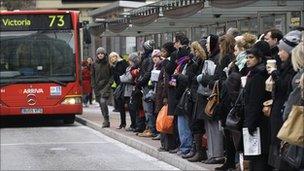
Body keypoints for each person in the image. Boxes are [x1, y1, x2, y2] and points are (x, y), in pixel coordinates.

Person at [267, 30, 301, 170]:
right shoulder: (284, 66)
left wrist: (274, 74)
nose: (279, 54)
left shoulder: (294, 70)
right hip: (279, 110)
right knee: (277, 144)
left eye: (282, 51)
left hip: (287, 113)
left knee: (285, 147)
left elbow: (285, 88)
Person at [243, 41, 272, 171]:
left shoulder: (258, 75)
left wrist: (250, 123)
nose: (248, 60)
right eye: (247, 57)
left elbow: (255, 101)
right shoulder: (255, 72)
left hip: (258, 121)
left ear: (259, 58)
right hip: (258, 120)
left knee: (258, 157)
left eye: (251, 57)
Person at [187, 41, 208, 162]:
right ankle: (196, 149)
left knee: (197, 124)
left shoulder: (203, 61)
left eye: (195, 50)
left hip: (199, 95)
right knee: (193, 124)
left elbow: (195, 77)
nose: (193, 53)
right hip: (194, 94)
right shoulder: (194, 61)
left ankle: (200, 152)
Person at [155, 42, 178, 151]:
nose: (162, 54)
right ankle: (164, 144)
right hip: (162, 95)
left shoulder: (169, 63)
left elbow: (168, 81)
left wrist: (165, 96)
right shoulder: (165, 63)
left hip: (167, 95)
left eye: (164, 51)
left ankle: (168, 145)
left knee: (167, 121)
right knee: (163, 120)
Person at [91, 47, 113, 128]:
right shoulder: (94, 64)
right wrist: (93, 86)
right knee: (101, 104)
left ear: (105, 54)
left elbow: (112, 76)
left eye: (102, 53)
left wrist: (109, 84)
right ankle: (105, 119)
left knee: (103, 102)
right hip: (97, 87)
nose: (100, 55)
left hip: (106, 86)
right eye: (99, 54)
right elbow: (92, 76)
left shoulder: (108, 63)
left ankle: (106, 120)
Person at [121, 53, 141, 132]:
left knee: (133, 109)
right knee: (130, 108)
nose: (129, 62)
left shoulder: (135, 68)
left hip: (133, 90)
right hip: (127, 90)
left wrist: (122, 78)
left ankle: (135, 125)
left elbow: (128, 78)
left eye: (130, 60)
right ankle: (133, 124)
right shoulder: (129, 68)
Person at [108, 52, 128, 129]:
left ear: (117, 56)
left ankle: (131, 124)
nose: (113, 58)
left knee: (127, 105)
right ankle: (123, 123)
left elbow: (125, 73)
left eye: (114, 57)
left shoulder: (122, 62)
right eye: (111, 57)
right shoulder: (113, 66)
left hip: (124, 85)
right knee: (120, 106)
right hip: (118, 86)